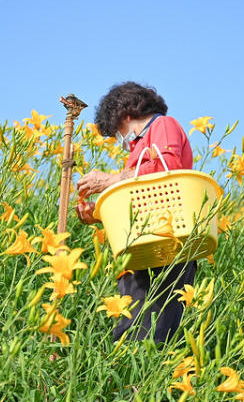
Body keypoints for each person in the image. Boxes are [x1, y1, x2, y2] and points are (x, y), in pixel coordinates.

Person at [75, 82, 196, 345]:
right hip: (141, 248)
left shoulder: (162, 125)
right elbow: (137, 200)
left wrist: (111, 179)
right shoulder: (137, 150)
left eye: (117, 131)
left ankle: (141, 387)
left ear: (125, 116)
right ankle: (125, 384)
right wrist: (96, 214)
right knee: (129, 332)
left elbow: (168, 169)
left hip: (167, 245)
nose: (120, 140)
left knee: (152, 334)